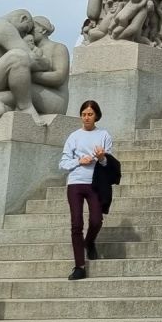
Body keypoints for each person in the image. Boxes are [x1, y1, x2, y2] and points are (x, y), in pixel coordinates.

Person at [59, 100, 112, 280]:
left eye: (90, 114)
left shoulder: (104, 135)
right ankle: (79, 266)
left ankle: (89, 242)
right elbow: (63, 163)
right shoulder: (74, 136)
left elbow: (108, 164)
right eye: (84, 114)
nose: (86, 117)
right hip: (75, 183)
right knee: (76, 224)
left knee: (96, 220)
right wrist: (78, 161)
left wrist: (102, 157)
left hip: (95, 183)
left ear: (96, 115)